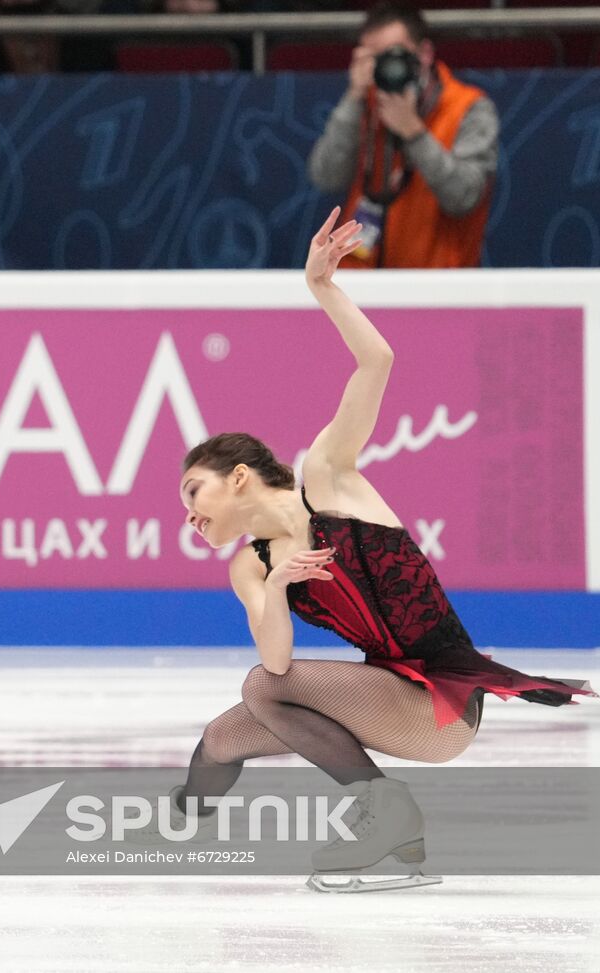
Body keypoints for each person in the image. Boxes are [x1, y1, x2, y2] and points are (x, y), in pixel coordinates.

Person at [174, 207, 592, 890]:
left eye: (195, 492)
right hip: (386, 694)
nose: (189, 514)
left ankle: (383, 808)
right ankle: (176, 826)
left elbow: (379, 360)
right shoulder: (248, 564)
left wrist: (323, 289)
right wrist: (277, 587)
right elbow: (277, 658)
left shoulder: (327, 475)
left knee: (258, 690)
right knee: (224, 737)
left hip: (440, 701)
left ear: (240, 476)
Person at [307, 3, 498, 268]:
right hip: (358, 286)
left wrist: (413, 132)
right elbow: (325, 177)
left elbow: (463, 197)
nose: (384, 68)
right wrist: (354, 97)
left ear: (425, 54)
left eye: (392, 56)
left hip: (437, 289)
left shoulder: (468, 108)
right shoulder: (364, 103)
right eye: (372, 59)